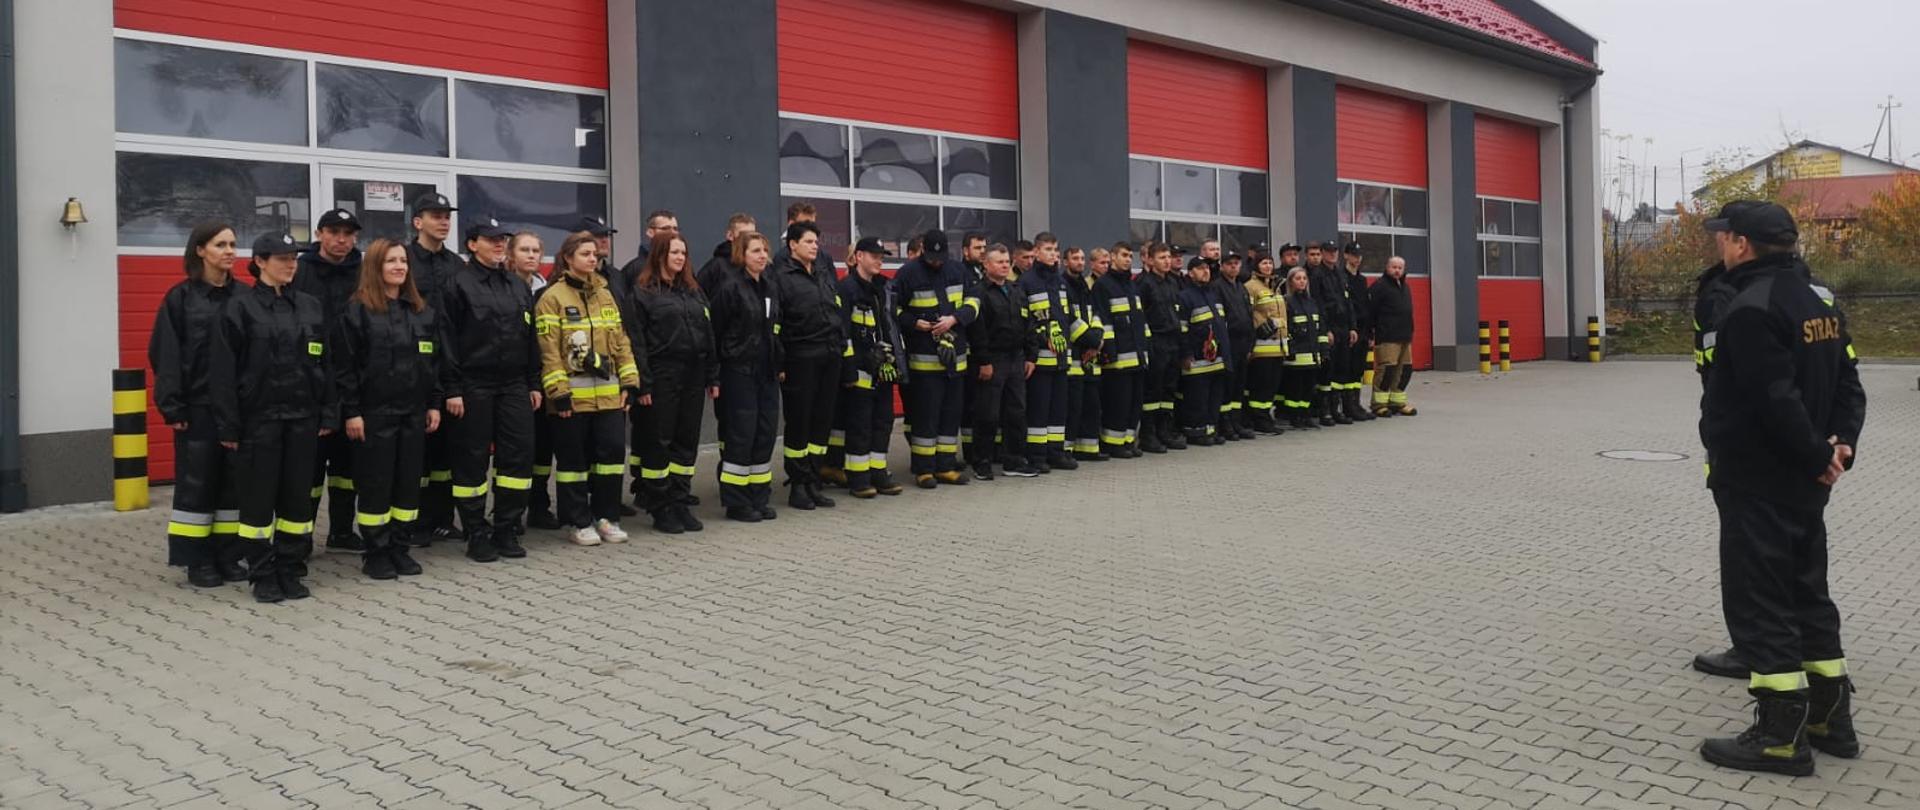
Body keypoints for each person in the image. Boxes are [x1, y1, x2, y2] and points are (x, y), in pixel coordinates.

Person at [1695, 201, 1866, 776]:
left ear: (1742, 244)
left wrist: (1818, 454)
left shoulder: (1750, 309)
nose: (1719, 244)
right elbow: (1848, 382)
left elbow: (1773, 399)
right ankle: (1829, 718)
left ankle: (1778, 736)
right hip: (1805, 481)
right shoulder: (1818, 301)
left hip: (1759, 478)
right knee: (1807, 593)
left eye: (1724, 236)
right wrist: (1840, 445)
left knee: (1761, 601)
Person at [211, 232, 335, 603]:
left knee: (297, 501)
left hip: (302, 419)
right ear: (260, 262)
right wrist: (229, 424)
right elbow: (223, 372)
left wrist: (328, 411)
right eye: (282, 258)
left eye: (294, 258)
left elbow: (326, 363)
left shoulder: (310, 306)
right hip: (259, 422)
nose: (290, 264)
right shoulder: (239, 308)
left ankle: (291, 568)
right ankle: (262, 573)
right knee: (258, 502)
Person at [331, 238, 441, 580]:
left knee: (408, 484)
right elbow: (345, 368)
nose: (399, 267)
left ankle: (399, 548)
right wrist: (352, 412)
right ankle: (376, 552)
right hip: (374, 414)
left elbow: (433, 363)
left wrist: (434, 403)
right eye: (391, 261)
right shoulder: (357, 311)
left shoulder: (421, 311)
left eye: (403, 261)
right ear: (375, 267)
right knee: (376, 484)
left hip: (413, 413)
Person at [150, 222, 247, 588]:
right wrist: (172, 406)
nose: (229, 251)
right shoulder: (180, 299)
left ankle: (228, 555)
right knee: (198, 484)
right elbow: (166, 354)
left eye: (233, 244)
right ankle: (197, 560)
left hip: (236, 409)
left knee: (233, 486)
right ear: (200, 250)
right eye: (220, 244)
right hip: (198, 408)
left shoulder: (245, 297)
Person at [441, 215, 541, 562]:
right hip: (473, 384)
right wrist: (452, 389)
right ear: (472, 245)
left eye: (502, 239)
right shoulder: (457, 285)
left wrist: (533, 382)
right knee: (472, 461)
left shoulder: (516, 285)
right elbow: (446, 341)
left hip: (514, 385)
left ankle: (506, 528)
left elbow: (530, 338)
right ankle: (476, 532)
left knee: (518, 457)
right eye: (491, 239)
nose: (499, 244)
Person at [535, 232, 641, 547]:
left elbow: (621, 342)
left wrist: (630, 382)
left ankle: (606, 518)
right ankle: (577, 521)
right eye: (585, 254)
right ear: (568, 258)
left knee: (611, 458)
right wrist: (558, 393)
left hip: (608, 396)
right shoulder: (552, 298)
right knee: (573, 464)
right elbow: (549, 351)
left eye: (594, 254)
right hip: (570, 400)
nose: (593, 259)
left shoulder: (606, 294)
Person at [628, 234, 717, 533]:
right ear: (659, 254)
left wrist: (712, 375)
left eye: (683, 252)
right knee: (659, 443)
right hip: (661, 375)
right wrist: (643, 384)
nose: (680, 257)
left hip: (693, 374)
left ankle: (679, 500)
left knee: (686, 441)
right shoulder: (643, 293)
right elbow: (636, 342)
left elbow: (708, 334)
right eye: (674, 252)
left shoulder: (693, 291)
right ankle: (660, 506)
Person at [290, 209, 365, 555]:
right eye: (334, 232)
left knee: (347, 468)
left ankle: (342, 532)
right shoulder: (300, 271)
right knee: (310, 467)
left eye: (348, 233)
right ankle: (300, 536)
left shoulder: (363, 272)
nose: (341, 239)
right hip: (312, 382)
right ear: (319, 234)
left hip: (354, 380)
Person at [893, 229, 980, 488]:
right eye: (931, 257)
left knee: (950, 416)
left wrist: (954, 319)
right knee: (925, 417)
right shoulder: (908, 274)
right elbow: (893, 309)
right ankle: (924, 470)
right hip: (924, 361)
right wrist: (914, 323)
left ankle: (945, 466)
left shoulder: (958, 271)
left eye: (940, 258)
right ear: (923, 251)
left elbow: (975, 302)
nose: (936, 262)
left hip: (955, 361)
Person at [770, 221, 847, 510]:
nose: (815, 246)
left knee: (821, 422)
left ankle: (814, 479)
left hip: (829, 356)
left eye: (816, 242)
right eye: (809, 241)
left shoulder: (823, 273)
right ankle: (798, 484)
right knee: (799, 423)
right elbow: (776, 323)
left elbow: (836, 311)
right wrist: (780, 361)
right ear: (793, 245)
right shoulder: (780, 277)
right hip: (800, 357)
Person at [405, 193, 465, 546]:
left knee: (446, 451)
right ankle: (414, 522)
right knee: (418, 451)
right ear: (418, 222)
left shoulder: (456, 264)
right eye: (436, 216)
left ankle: (442, 518)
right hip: (415, 364)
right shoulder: (404, 260)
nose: (444, 222)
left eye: (447, 216)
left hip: (450, 362)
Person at [709, 232, 782, 521]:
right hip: (738, 372)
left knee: (765, 433)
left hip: (766, 372)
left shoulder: (769, 287)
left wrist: (779, 362)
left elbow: (774, 330)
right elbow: (715, 333)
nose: (762, 255)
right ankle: (737, 502)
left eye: (764, 250)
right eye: (755, 251)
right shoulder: (730, 288)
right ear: (742, 254)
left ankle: (758, 496)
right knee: (742, 435)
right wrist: (715, 375)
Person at [832, 238, 907, 498]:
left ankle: (878, 472)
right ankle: (858, 478)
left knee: (883, 423)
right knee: (860, 426)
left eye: (881, 257)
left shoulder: (882, 288)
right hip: (860, 371)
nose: (879, 261)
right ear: (859, 257)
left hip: (882, 370)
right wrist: (850, 369)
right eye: (874, 256)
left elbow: (890, 326)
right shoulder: (847, 289)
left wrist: (894, 359)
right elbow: (843, 333)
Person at [1019, 233, 1093, 472]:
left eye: (1055, 250)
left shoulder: (1060, 282)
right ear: (1036, 252)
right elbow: (1025, 320)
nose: (1053, 254)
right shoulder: (1026, 281)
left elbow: (1067, 317)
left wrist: (1091, 339)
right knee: (1038, 411)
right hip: (1040, 360)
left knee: (1058, 410)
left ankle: (1056, 452)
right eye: (1048, 249)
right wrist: (1044, 336)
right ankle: (1037, 455)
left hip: (1062, 359)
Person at [967, 244, 1038, 480]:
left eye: (1007, 261)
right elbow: (977, 332)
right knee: (987, 414)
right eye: (1000, 262)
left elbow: (1029, 325)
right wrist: (984, 361)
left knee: (1016, 412)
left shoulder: (1016, 290)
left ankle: (1014, 461)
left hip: (1016, 358)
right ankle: (982, 463)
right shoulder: (979, 293)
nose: (1005, 265)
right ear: (986, 265)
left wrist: (1031, 356)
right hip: (993, 360)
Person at [508, 232, 560, 532]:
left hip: (544, 378)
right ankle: (510, 511)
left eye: (535, 250)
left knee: (543, 448)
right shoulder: (503, 287)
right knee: (516, 450)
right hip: (515, 380)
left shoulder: (547, 290)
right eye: (524, 250)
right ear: (511, 255)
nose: (531, 255)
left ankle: (539, 506)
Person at [1096, 242, 1146, 458]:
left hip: (1137, 356)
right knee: (1117, 403)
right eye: (1124, 255)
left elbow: (1140, 322)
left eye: (1130, 256)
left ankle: (1127, 441)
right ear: (1113, 257)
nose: (1128, 259)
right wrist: (1110, 353)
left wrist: (1145, 350)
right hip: (1118, 359)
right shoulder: (1103, 285)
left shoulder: (1131, 285)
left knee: (1134, 403)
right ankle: (1112, 444)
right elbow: (1104, 321)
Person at [1176, 257, 1230, 445]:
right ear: (1191, 273)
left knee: (1214, 398)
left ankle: (1210, 430)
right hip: (1197, 359)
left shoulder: (1214, 295)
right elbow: (1182, 329)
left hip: (1216, 359)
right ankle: (1195, 432)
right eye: (1200, 268)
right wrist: (1186, 354)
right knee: (1197, 398)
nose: (1205, 271)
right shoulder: (1184, 297)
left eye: (1207, 268)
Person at [1135, 242, 1184, 451]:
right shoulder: (1143, 284)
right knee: (1153, 391)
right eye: (1162, 258)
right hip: (1156, 341)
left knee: (1169, 390)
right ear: (1150, 260)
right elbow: (1141, 317)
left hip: (1172, 341)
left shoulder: (1172, 282)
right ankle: (1148, 434)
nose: (1167, 261)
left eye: (1168, 257)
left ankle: (1165, 431)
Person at [1063, 247, 1107, 462]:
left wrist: (1097, 340)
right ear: (1065, 262)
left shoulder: (1085, 287)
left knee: (1091, 405)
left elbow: (1096, 314)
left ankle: (1088, 449)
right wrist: (1092, 340)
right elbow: (1068, 319)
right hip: (1073, 356)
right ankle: (1067, 450)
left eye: (1082, 258)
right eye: (1075, 258)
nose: (1080, 262)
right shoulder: (1062, 286)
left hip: (1090, 356)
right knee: (1072, 408)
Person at [1308, 241, 1355, 426]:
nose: (1332, 254)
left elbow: (1348, 302)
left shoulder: (1340, 274)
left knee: (1342, 369)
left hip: (1344, 328)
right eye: (1328, 252)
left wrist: (1352, 327)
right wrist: (1325, 329)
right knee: (1328, 371)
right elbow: (1318, 304)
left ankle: (1336, 409)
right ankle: (1325, 411)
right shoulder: (1317, 275)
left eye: (1335, 251)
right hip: (1329, 328)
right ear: (1322, 253)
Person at [1212, 251, 1258, 440]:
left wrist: (1251, 344)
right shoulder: (1217, 287)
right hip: (1229, 342)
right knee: (1227, 385)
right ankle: (1224, 423)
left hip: (1243, 343)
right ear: (1222, 266)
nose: (1233, 266)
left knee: (1239, 385)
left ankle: (1236, 422)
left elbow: (1249, 315)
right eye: (1229, 263)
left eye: (1236, 263)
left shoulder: (1241, 288)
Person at [1243, 250, 1289, 435]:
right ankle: (1258, 420)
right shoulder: (1251, 287)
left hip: (1278, 347)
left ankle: (1265, 416)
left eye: (1270, 263)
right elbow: (1248, 314)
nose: (1268, 266)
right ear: (1256, 266)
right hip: (1262, 347)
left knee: (1271, 386)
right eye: (1264, 263)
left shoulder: (1275, 287)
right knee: (1260, 386)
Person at [1366, 256, 1418, 417]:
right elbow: (1370, 312)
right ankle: (1378, 404)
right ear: (1387, 267)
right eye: (1393, 267)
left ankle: (1397, 402)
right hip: (1387, 336)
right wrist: (1370, 333)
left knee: (1405, 370)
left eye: (1400, 268)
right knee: (1386, 371)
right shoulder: (1379, 287)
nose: (1397, 270)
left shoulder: (1405, 287)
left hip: (1405, 336)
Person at [1280, 266, 1324, 430]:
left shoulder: (1311, 302)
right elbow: (1287, 328)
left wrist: (1322, 350)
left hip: (1311, 353)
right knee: (1295, 388)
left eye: (1304, 278)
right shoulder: (1286, 302)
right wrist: (1290, 349)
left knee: (1308, 387)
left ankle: (1305, 415)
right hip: (1296, 355)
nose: (1302, 282)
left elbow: (1318, 328)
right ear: (1290, 282)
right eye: (1298, 279)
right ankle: (1294, 416)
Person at [1337, 242, 1377, 422]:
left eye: (1359, 255)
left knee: (1358, 370)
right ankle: (1347, 405)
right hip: (1349, 330)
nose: (1357, 259)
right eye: (1354, 255)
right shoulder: (1341, 277)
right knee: (1348, 368)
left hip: (1363, 331)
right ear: (1346, 255)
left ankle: (1356, 403)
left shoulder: (1361, 280)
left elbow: (1366, 307)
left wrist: (1370, 334)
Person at [696, 213, 756, 295]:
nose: (749, 239)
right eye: (743, 234)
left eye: (753, 235)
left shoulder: (760, 265)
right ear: (730, 235)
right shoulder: (716, 267)